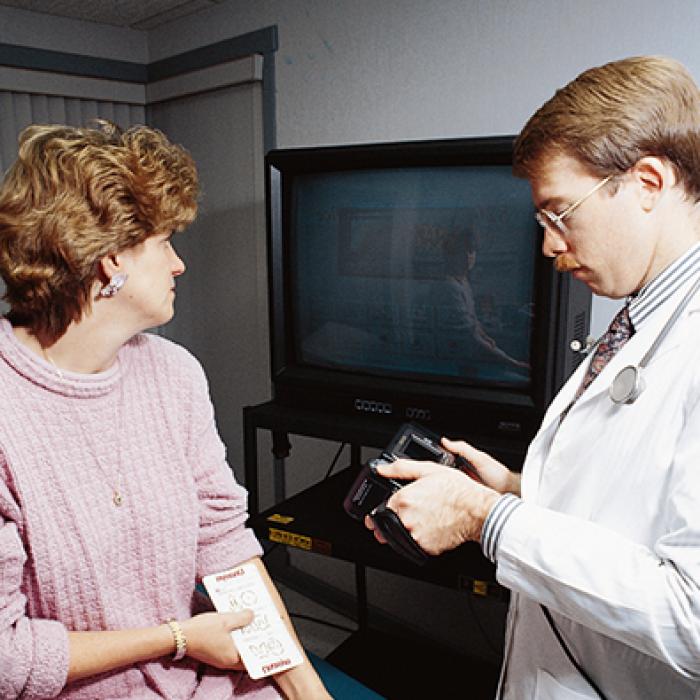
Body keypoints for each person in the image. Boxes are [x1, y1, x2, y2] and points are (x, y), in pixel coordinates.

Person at [366, 55, 700, 699]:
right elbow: (636, 507)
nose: (548, 244)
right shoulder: (638, 317)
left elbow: (691, 618)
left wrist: (487, 518)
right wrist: (518, 489)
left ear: (648, 184)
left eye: (558, 213)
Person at [0, 122, 331, 699]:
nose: (179, 264)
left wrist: (308, 693)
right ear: (109, 260)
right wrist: (175, 638)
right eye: (163, 243)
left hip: (202, 676)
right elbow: (7, 660)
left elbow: (224, 545)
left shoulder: (174, 374)